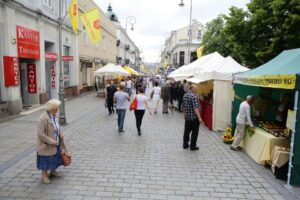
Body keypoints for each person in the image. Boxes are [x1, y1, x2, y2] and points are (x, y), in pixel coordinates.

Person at [36, 99, 67, 184]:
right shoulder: (43, 118)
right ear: (52, 108)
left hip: (56, 142)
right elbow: (40, 134)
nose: (58, 109)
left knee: (55, 158)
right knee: (45, 160)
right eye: (57, 107)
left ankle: (53, 172)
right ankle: (44, 176)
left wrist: (61, 134)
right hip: (46, 144)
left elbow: (57, 127)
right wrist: (50, 141)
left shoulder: (54, 116)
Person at [182, 84, 203, 151]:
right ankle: (192, 146)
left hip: (188, 117)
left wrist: (185, 114)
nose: (196, 90)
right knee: (195, 132)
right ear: (192, 89)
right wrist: (199, 118)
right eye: (195, 88)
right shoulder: (194, 96)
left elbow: (184, 106)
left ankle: (185, 145)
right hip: (194, 118)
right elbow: (195, 108)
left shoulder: (185, 95)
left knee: (186, 132)